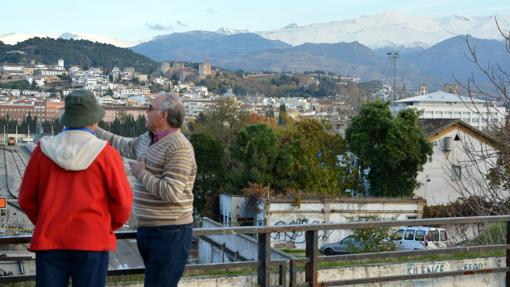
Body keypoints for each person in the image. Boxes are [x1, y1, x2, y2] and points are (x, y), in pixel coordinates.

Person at [18, 89, 133, 287]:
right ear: (94, 120)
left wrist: (46, 218)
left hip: (50, 239)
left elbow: (26, 199)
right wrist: (105, 225)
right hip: (92, 240)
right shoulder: (107, 154)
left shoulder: (42, 151)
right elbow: (123, 203)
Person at [95, 92, 197, 287]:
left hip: (170, 232)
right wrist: (95, 129)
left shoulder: (180, 148)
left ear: (163, 115)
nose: (145, 112)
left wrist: (141, 173)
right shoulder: (147, 138)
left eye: (149, 108)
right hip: (149, 229)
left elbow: (172, 192)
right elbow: (122, 145)